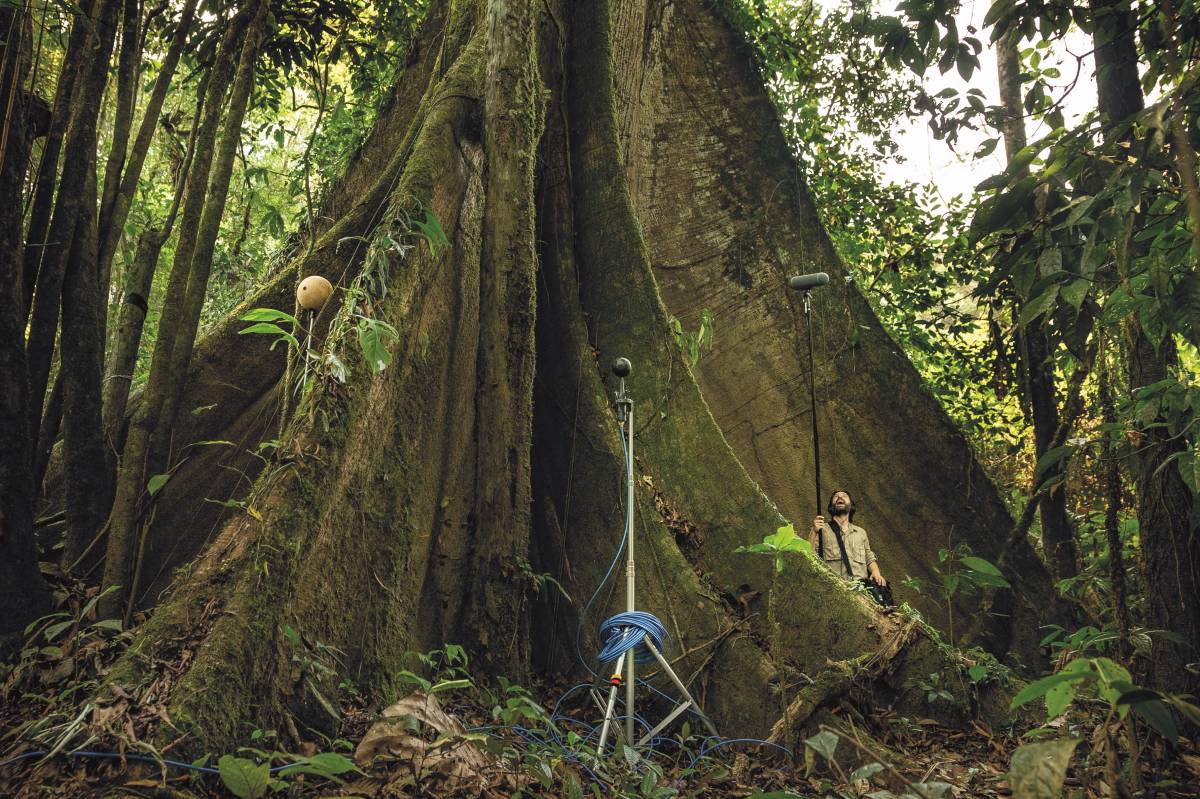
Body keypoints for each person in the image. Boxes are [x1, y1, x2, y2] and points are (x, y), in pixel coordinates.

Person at [808, 490, 889, 598]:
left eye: (844, 496)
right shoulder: (822, 530)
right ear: (831, 505)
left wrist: (876, 572)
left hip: (862, 594)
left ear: (851, 506)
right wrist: (814, 531)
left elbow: (869, 557)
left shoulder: (861, 532)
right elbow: (809, 556)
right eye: (836, 496)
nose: (840, 497)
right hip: (834, 590)